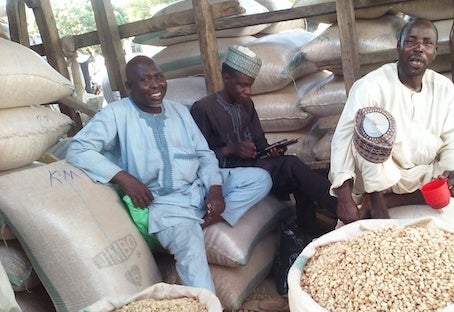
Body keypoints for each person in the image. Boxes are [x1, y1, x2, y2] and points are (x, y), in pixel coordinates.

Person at [66, 55, 272, 293]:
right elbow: (78, 149)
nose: (155, 84)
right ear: (129, 87)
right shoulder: (115, 114)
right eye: (145, 80)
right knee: (192, 250)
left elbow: (204, 154)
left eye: (159, 77)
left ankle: (211, 217)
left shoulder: (179, 111)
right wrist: (123, 177)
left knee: (260, 178)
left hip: (198, 188)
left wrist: (215, 190)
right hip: (165, 204)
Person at [190, 45, 338, 295]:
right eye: (242, 85)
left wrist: (270, 151)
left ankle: (307, 227)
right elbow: (198, 159)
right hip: (228, 175)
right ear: (225, 77)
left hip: (255, 166)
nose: (247, 91)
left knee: (291, 167)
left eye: (250, 86)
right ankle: (341, 209)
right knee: (292, 167)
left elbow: (260, 144)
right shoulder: (203, 109)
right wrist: (232, 149)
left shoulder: (247, 105)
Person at [330, 18, 454, 224]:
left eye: (427, 43)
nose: (419, 48)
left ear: (435, 51)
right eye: (411, 41)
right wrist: (344, 197)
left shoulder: (444, 88)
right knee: (370, 132)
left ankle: (391, 200)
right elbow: (344, 139)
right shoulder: (370, 85)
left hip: (421, 174)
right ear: (398, 46)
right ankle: (377, 202)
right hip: (381, 175)